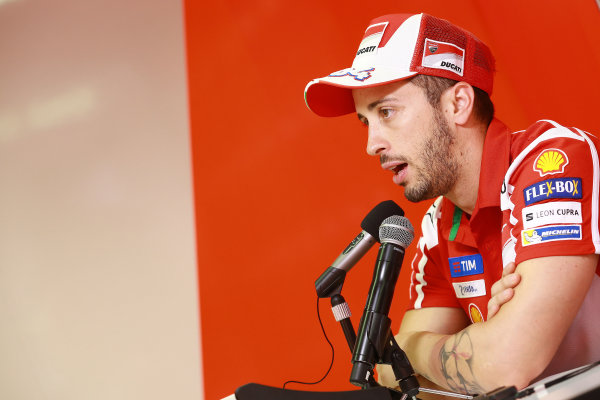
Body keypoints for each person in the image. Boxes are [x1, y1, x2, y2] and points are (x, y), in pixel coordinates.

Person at [303, 13, 600, 395]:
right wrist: (482, 341)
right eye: (366, 121)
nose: (372, 145)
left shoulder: (554, 158)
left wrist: (417, 346)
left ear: (458, 103)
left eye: (386, 112)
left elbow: (507, 362)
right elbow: (395, 376)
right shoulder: (437, 224)